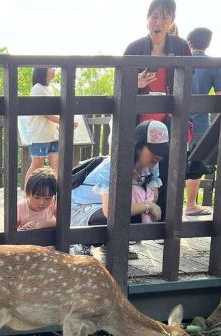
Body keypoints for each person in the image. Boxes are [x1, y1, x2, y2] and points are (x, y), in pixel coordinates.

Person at [124, 0, 191, 220]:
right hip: (138, 122)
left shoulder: (181, 47)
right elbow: (120, 85)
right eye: (154, 16)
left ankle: (165, 222)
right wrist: (136, 83)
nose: (158, 22)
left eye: (164, 17)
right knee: (132, 169)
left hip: (169, 119)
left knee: (169, 170)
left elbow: (188, 79)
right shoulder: (134, 48)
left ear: (172, 21)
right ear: (147, 20)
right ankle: (130, 223)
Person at [71, 121, 167, 258]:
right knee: (116, 215)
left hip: (118, 205)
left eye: (161, 151)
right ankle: (81, 241)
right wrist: (147, 206)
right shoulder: (113, 165)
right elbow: (109, 210)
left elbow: (152, 197)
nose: (158, 156)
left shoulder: (152, 166)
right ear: (138, 146)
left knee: (137, 211)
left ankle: (112, 244)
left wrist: (146, 205)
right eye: (154, 151)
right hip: (83, 207)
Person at [186, 27, 221, 216]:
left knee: (172, 160)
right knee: (196, 160)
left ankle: (166, 206)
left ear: (189, 42)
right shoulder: (213, 65)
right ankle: (191, 204)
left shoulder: (181, 61)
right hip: (200, 120)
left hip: (177, 118)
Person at [25, 68, 61, 183]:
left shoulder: (49, 88)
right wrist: (65, 121)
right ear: (43, 71)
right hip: (40, 134)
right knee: (37, 165)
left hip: (52, 134)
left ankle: (57, 195)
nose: (54, 70)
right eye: (50, 67)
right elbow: (45, 112)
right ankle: (27, 195)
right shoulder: (37, 88)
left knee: (57, 166)